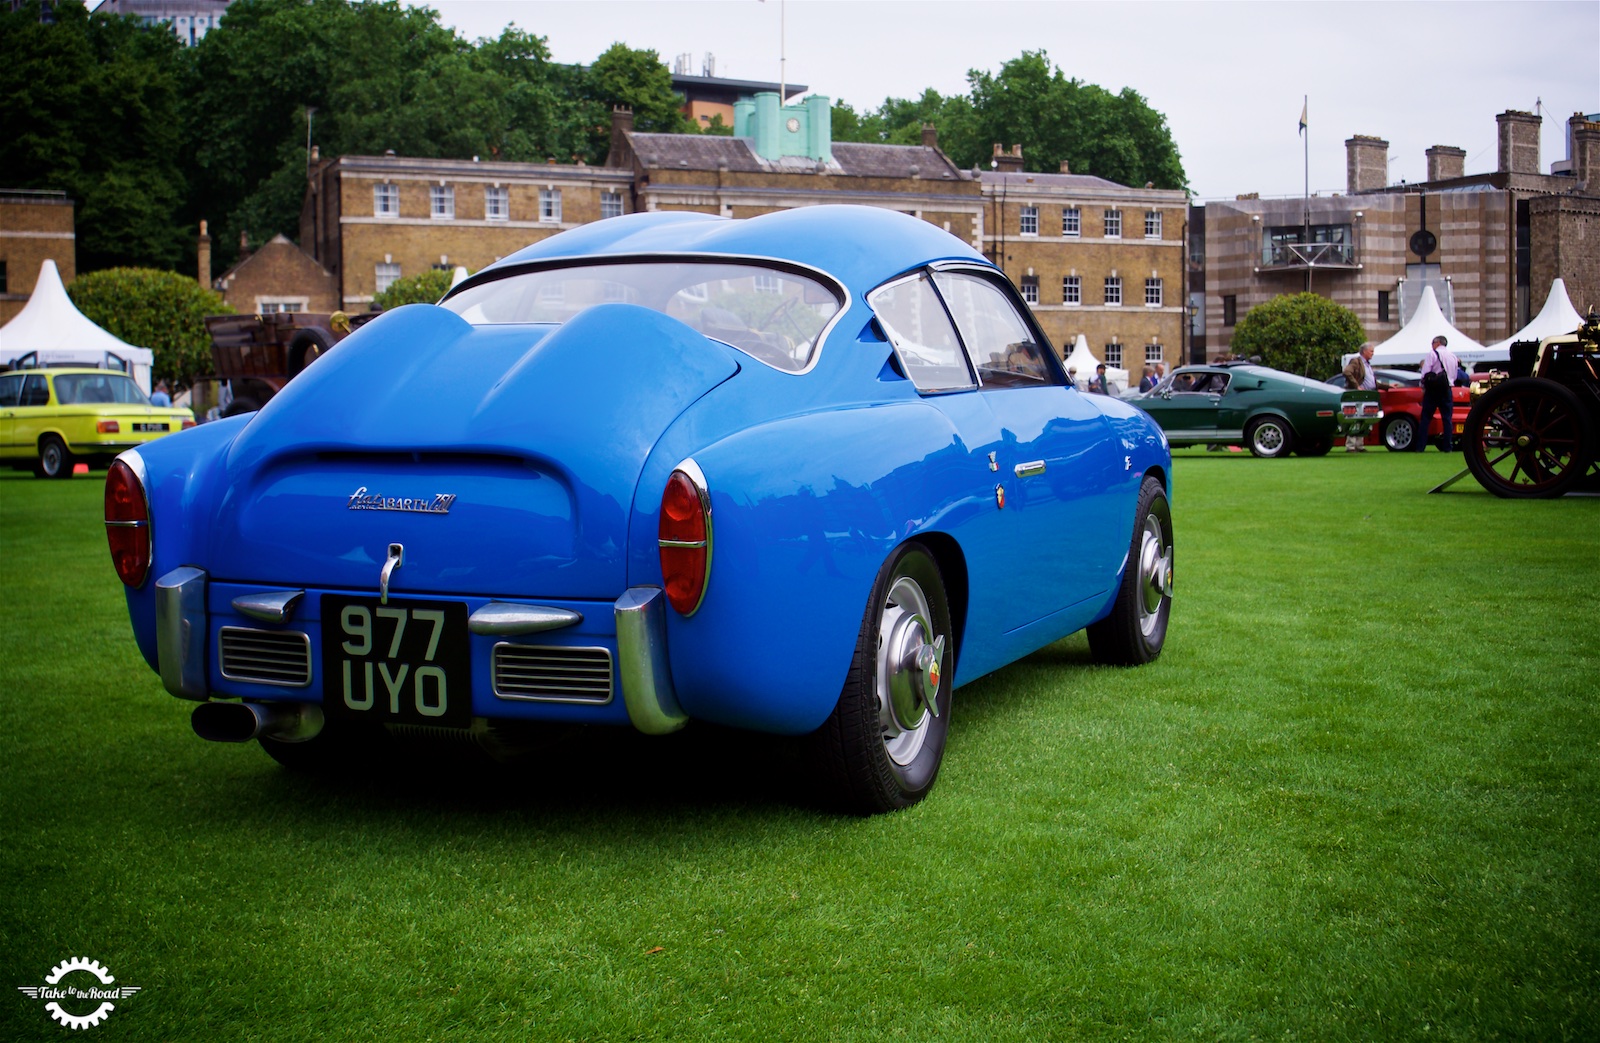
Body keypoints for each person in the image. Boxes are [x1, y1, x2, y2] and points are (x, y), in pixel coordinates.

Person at [1416, 334, 1461, 452]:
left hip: (1433, 389)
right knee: (1447, 419)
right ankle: (1447, 446)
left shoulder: (1433, 354)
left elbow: (1425, 372)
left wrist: (1423, 386)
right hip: (1447, 389)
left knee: (1426, 418)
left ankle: (1420, 446)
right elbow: (1454, 376)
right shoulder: (1453, 356)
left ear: (1437, 343)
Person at [1342, 342, 1377, 452]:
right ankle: (1351, 445)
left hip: (1366, 394)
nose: (1373, 353)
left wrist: (1388, 386)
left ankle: (1359, 444)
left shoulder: (1367, 364)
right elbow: (1347, 371)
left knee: (1363, 418)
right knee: (1354, 418)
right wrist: (1357, 386)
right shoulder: (1356, 361)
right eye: (1371, 351)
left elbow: (1372, 382)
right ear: (1364, 351)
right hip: (1357, 395)